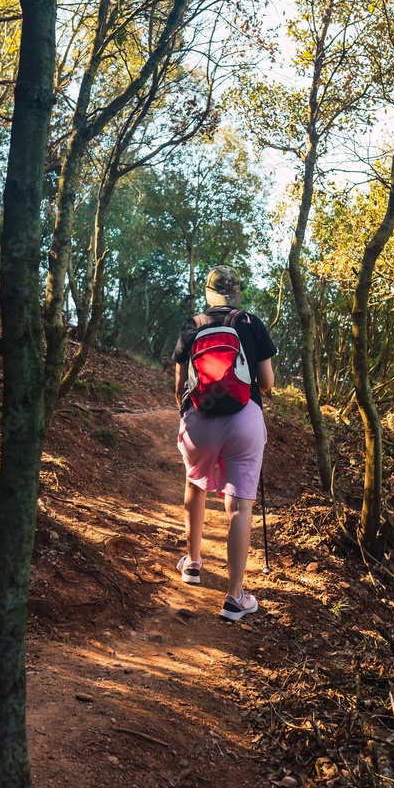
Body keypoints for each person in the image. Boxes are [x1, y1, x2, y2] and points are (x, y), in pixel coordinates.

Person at [172, 265, 276, 621]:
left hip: (199, 418)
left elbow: (179, 387)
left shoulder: (193, 324)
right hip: (244, 419)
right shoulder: (250, 322)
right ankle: (234, 598)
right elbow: (266, 383)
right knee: (239, 509)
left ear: (208, 292)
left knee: (194, 485)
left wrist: (190, 419)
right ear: (237, 293)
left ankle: (193, 565)